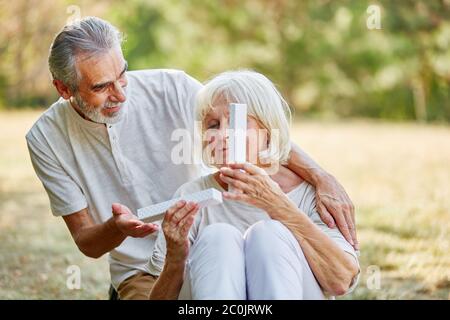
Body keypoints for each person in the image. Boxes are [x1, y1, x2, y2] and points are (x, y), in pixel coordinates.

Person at [26, 16, 357, 300]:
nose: (121, 94)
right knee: (217, 241)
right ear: (64, 89)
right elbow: (87, 241)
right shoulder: (46, 139)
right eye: (101, 87)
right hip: (148, 267)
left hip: (228, 244)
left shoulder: (173, 88)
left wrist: (319, 176)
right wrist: (121, 229)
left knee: (265, 237)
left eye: (123, 74)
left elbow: (248, 116)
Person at [148, 70, 360, 299]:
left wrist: (280, 207)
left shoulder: (310, 195)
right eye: (213, 125)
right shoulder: (193, 196)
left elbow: (340, 281)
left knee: (268, 234)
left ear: (267, 131)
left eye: (237, 122)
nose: (223, 136)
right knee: (217, 236)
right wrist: (176, 257)